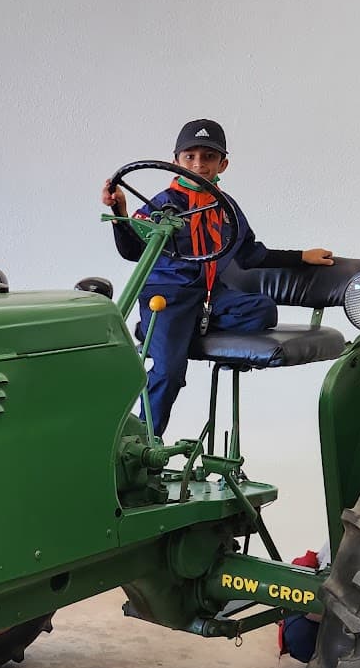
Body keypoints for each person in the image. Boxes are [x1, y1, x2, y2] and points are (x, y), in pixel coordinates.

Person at [101, 119, 333, 436]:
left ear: (222, 163)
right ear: (176, 161)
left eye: (208, 157)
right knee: (170, 372)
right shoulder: (162, 205)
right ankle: (143, 439)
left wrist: (301, 257)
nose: (199, 164)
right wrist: (120, 216)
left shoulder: (226, 208)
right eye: (190, 156)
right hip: (168, 296)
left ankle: (181, 332)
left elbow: (251, 254)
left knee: (262, 310)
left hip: (209, 294)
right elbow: (132, 251)